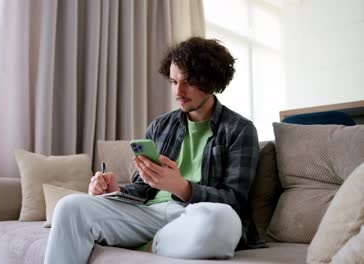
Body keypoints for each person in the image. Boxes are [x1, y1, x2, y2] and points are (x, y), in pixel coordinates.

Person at [44, 37, 260, 264]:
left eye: (188, 82)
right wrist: (115, 191)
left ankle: (153, 245)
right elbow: (141, 186)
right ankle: (163, 242)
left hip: (194, 217)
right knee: (70, 206)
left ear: (211, 82)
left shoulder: (239, 129)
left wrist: (182, 188)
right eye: (174, 82)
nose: (179, 91)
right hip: (148, 215)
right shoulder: (160, 126)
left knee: (224, 219)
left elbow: (234, 200)